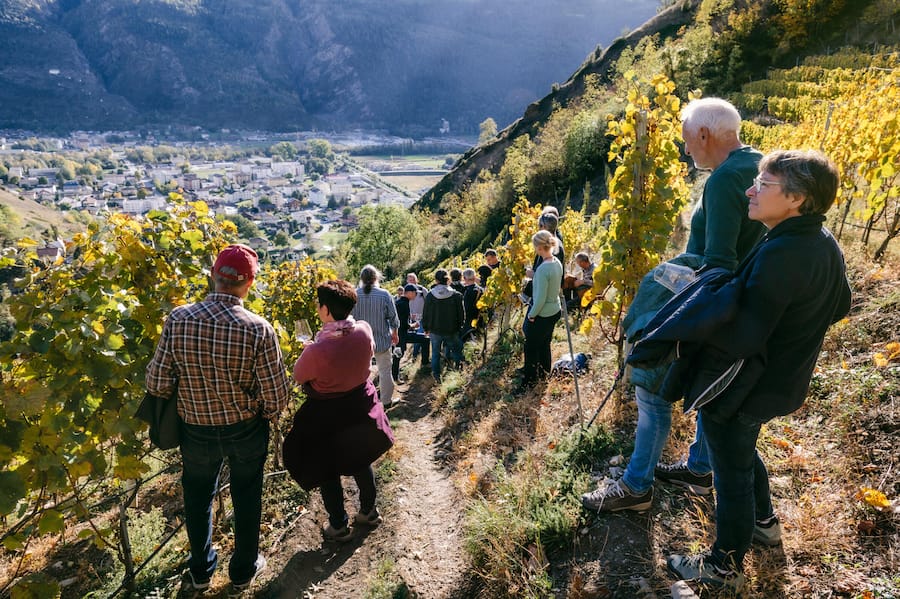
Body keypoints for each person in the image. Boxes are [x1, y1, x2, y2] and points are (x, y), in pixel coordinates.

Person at [664, 150, 852, 590]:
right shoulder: (821, 242)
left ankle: (723, 567)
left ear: (796, 198)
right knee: (740, 451)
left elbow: (741, 335)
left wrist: (695, 314)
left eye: (763, 185)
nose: (750, 189)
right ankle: (765, 525)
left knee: (729, 475)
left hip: (746, 386)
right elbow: (840, 304)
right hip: (782, 381)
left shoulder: (783, 254)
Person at [583, 97, 766, 512]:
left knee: (651, 391)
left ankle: (636, 487)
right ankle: (700, 470)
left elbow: (716, 264)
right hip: (742, 305)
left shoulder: (722, 180)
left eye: (687, 140)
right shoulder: (759, 166)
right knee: (708, 389)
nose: (686, 150)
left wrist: (668, 303)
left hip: (711, 302)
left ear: (704, 134)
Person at [146, 244, 290, 595]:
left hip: (195, 430)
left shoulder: (178, 319)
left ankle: (200, 571)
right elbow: (277, 398)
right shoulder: (259, 329)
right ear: (249, 283)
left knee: (197, 498)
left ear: (212, 274)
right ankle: (242, 571)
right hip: (245, 430)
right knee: (247, 496)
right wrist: (260, 412)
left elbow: (156, 383)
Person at [284, 280, 394, 543]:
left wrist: (309, 351)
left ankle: (338, 526)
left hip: (327, 413)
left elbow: (300, 376)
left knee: (326, 468)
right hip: (359, 404)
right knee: (360, 458)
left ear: (324, 310)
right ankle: (368, 511)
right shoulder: (364, 331)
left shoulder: (317, 350)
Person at [517, 230, 562, 387]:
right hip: (554, 310)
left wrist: (532, 315)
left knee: (530, 348)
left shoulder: (543, 269)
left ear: (539, 247)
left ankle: (529, 382)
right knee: (544, 343)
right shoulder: (556, 262)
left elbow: (540, 298)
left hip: (542, 313)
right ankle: (544, 374)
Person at [351, 265, 400, 407]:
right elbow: (393, 318)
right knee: (385, 371)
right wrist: (395, 334)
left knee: (361, 373)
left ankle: (363, 402)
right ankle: (386, 402)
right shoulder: (384, 294)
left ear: (361, 279)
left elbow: (350, 318)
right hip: (382, 340)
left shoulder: (354, 294)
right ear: (376, 278)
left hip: (360, 342)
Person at [422, 268, 464, 383]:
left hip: (435, 330)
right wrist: (460, 326)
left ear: (436, 280)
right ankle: (458, 372)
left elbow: (425, 313)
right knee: (456, 350)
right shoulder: (456, 295)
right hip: (452, 329)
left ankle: (436, 376)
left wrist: (426, 327)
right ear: (448, 279)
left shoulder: (431, 295)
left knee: (435, 353)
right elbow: (461, 313)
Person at [522, 211, 565, 305]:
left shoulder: (552, 248)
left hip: (545, 294)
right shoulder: (552, 243)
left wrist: (531, 274)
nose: (538, 228)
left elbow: (549, 277)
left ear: (544, 227)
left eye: (539, 226)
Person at [392, 283, 431, 381]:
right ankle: (424, 365)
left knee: (398, 355)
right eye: (415, 293)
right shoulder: (403, 304)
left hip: (400, 334)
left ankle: (395, 377)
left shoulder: (401, 302)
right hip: (400, 335)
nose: (416, 295)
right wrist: (413, 326)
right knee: (398, 355)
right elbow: (403, 324)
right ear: (409, 293)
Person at [460, 268, 484, 342]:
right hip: (480, 318)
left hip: (469, 321)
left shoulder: (467, 292)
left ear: (464, 278)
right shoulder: (481, 290)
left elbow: (466, 308)